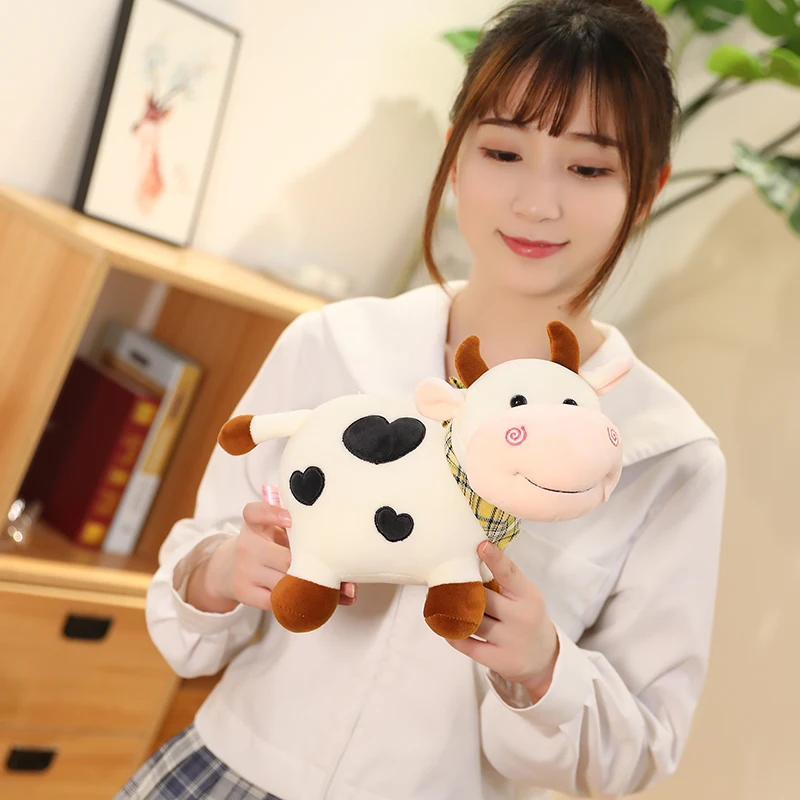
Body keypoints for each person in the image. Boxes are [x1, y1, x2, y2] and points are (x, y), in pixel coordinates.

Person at [116, 1, 727, 798]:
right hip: (223, 773)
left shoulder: (665, 454)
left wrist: (544, 665)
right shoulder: (333, 346)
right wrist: (227, 568)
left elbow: (639, 752)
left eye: (587, 168)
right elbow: (187, 614)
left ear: (646, 191)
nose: (536, 203)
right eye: (503, 152)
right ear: (456, 155)